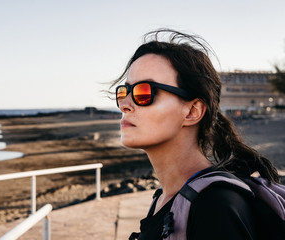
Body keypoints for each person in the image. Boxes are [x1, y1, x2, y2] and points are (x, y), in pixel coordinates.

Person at [111, 29, 279, 239]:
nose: (125, 105)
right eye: (123, 92)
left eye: (143, 92)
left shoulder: (214, 206)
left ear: (192, 112)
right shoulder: (165, 199)